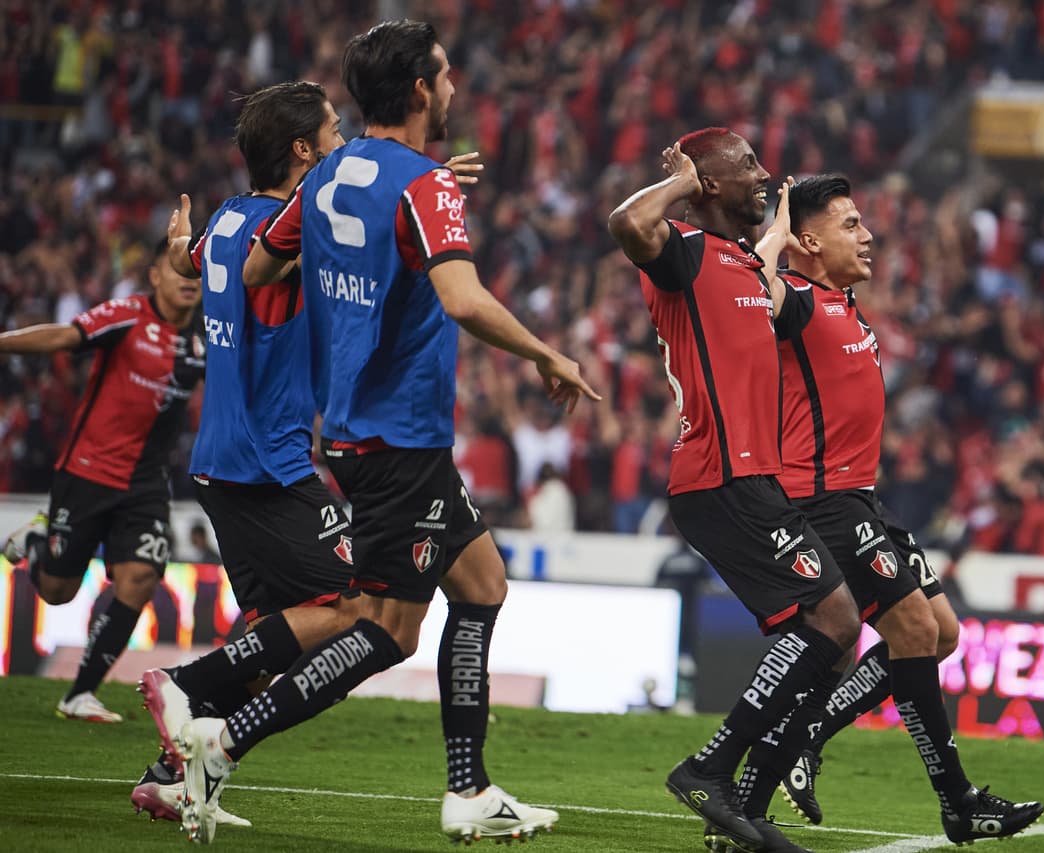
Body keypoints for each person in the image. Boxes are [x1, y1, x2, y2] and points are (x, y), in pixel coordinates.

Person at [173, 20, 598, 845]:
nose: (452, 90)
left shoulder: (333, 171)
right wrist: (549, 353)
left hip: (361, 434)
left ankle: (471, 789)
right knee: (386, 629)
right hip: (401, 436)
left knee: (482, 584)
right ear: (416, 91)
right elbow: (465, 299)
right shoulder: (424, 186)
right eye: (443, 77)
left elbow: (261, 264)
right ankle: (223, 736)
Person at [769, 173, 1044, 844]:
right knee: (916, 633)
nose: (868, 234)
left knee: (942, 632)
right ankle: (958, 801)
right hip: (825, 499)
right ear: (808, 240)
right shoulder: (795, 299)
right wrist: (777, 224)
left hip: (865, 498)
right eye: (851, 224)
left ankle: (804, 734)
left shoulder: (842, 298)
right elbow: (757, 278)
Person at [609, 131, 861, 853]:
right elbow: (628, 224)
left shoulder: (746, 265)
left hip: (754, 479)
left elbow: (768, 252)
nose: (763, 173)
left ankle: (739, 810)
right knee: (835, 620)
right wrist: (685, 181)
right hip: (721, 474)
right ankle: (712, 769)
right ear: (707, 182)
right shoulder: (681, 252)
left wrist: (782, 232)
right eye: (746, 164)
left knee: (824, 638)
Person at [130, 79, 351, 830]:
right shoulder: (286, 231)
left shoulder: (227, 219)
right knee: (359, 612)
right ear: (303, 151)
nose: (343, 142)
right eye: (333, 131)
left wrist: (175, 249)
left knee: (270, 632)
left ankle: (171, 775)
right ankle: (186, 684)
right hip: (268, 461)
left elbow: (191, 261)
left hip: (225, 457)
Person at [0, 240, 203, 724]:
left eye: (195, 272)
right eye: (178, 269)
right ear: (154, 276)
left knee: (142, 575)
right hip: (88, 472)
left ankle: (80, 693)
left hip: (147, 483)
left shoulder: (204, 337)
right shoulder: (127, 315)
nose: (189, 279)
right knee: (57, 592)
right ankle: (36, 541)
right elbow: (63, 338)